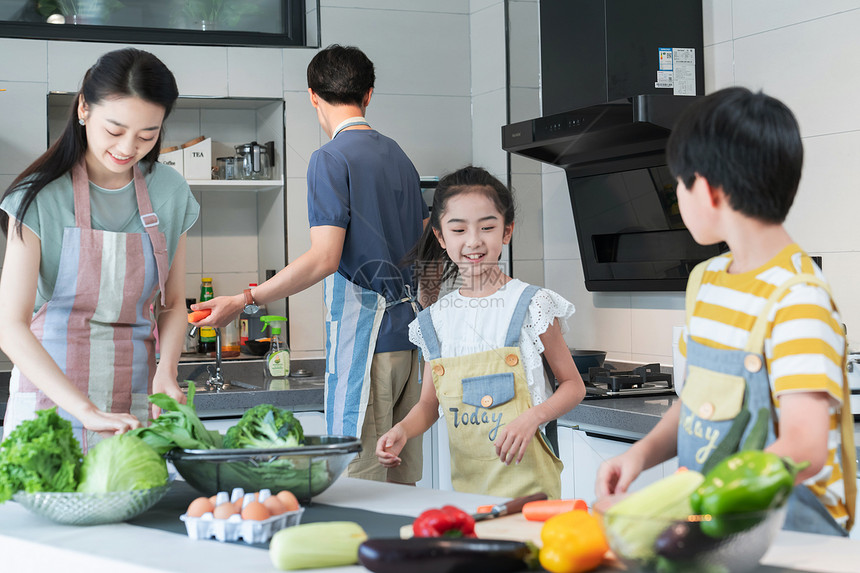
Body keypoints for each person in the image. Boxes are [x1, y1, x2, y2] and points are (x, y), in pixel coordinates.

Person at [595, 87, 856, 535]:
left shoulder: (798, 298)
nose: (678, 195)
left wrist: (684, 500)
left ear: (710, 191)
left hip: (792, 529)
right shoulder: (707, 281)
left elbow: (804, 448)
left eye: (679, 183)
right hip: (719, 523)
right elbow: (698, 400)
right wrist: (639, 454)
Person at [193, 45, 428, 484]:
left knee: (359, 481)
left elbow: (325, 258)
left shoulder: (329, 159)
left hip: (367, 343)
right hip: (409, 343)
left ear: (312, 96)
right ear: (369, 94)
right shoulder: (400, 158)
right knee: (400, 483)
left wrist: (247, 299)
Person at [0, 48, 197, 450]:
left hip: (136, 404)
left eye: (147, 135)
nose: (128, 148)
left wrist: (167, 371)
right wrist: (84, 409)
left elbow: (174, 302)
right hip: (49, 407)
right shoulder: (38, 196)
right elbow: (10, 325)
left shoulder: (170, 192)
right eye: (115, 129)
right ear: (84, 109)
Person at [375, 166, 586, 499]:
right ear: (441, 237)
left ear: (506, 231)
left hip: (533, 493)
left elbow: (573, 386)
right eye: (458, 230)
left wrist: (533, 417)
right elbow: (430, 404)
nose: (473, 241)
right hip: (467, 493)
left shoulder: (532, 304)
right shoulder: (435, 320)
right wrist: (402, 430)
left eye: (487, 227)